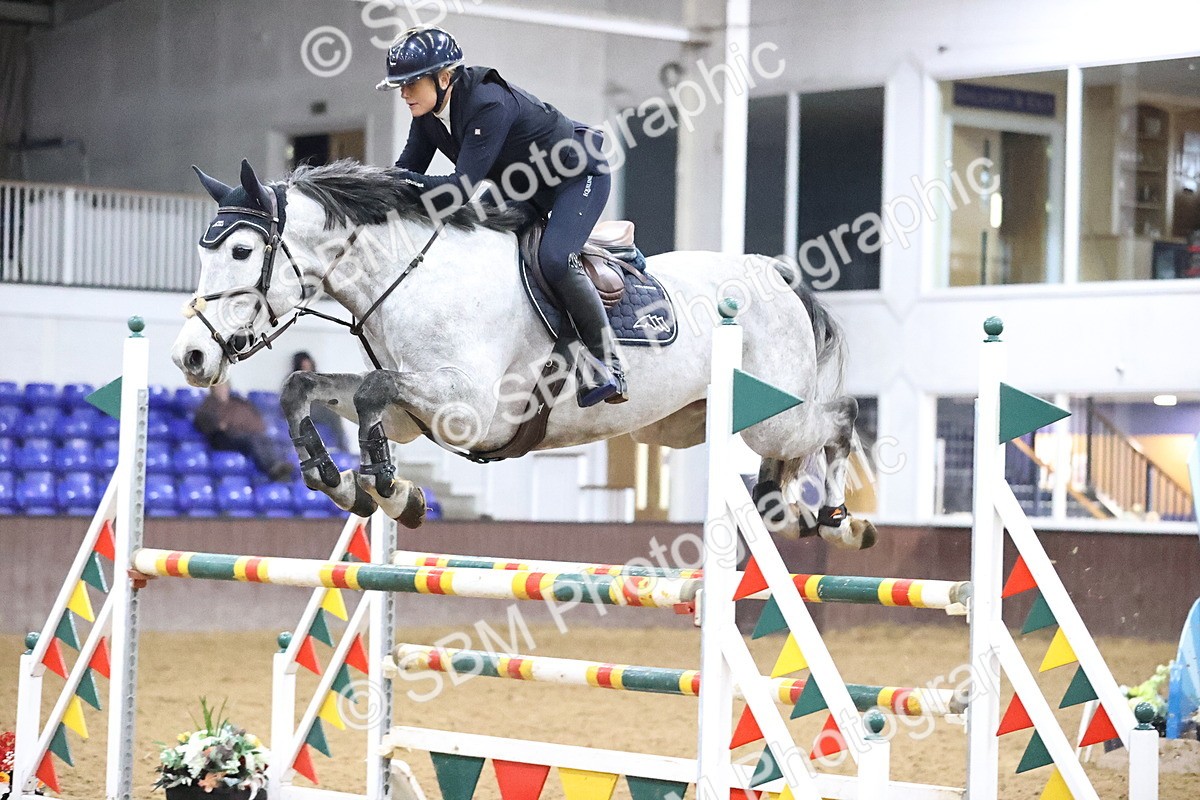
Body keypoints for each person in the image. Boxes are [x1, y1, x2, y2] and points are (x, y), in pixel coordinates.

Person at [378, 25, 627, 407]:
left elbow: (458, 190)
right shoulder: (426, 116)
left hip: (578, 175)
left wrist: (397, 184)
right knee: (474, 237)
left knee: (555, 258)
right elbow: (405, 173)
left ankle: (607, 363)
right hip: (523, 186)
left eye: (411, 83)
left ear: (443, 78)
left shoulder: (487, 103)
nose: (404, 94)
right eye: (400, 86)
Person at [193, 382, 293, 482]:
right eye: (218, 388)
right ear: (213, 390)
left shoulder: (237, 402)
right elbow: (203, 421)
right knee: (252, 440)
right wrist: (218, 425)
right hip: (223, 439)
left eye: (223, 387)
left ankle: (279, 465)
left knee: (265, 439)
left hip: (241, 434)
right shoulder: (207, 405)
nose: (222, 390)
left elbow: (251, 417)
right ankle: (272, 467)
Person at [290, 351, 349, 450]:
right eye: (304, 367)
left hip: (320, 408)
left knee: (335, 411)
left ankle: (342, 446)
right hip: (305, 411)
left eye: (309, 366)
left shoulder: (319, 379)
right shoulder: (293, 382)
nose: (307, 369)